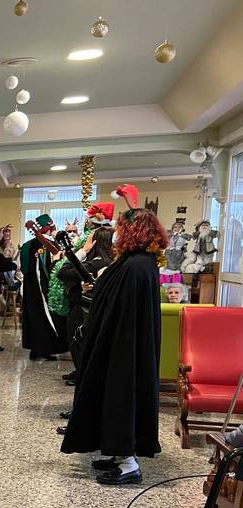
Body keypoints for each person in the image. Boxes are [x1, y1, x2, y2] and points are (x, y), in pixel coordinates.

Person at [61, 184, 166, 485]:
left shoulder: (136, 267)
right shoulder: (137, 263)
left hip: (125, 348)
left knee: (122, 399)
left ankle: (129, 463)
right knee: (112, 398)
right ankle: (117, 452)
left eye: (121, 228)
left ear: (133, 232)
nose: (116, 233)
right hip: (120, 344)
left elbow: (122, 308)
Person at [57, 227, 114, 387]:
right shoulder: (111, 260)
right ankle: (80, 370)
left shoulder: (97, 262)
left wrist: (83, 250)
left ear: (95, 242)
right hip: (92, 308)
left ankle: (82, 373)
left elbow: (64, 272)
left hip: (82, 308)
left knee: (77, 341)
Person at [20, 214, 64, 361]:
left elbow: (24, 268)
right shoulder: (45, 244)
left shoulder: (26, 245)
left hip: (29, 285)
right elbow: (51, 267)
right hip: (42, 285)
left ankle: (35, 348)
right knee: (44, 316)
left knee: (33, 315)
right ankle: (45, 348)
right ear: (48, 227)